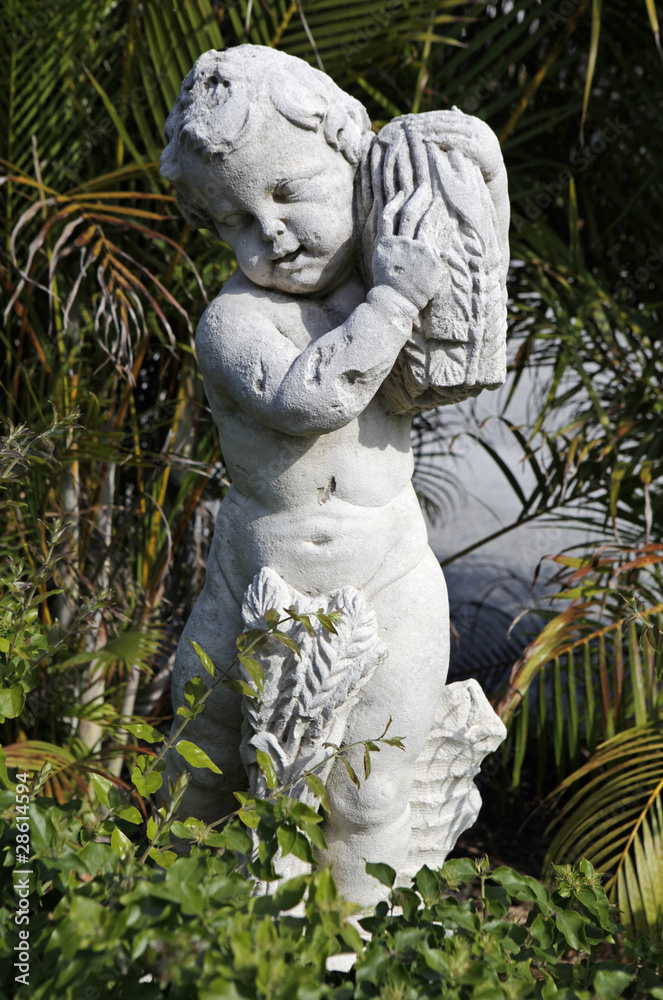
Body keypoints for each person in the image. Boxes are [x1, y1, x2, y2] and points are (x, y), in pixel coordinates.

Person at [160, 45, 458, 906]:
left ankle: (366, 960)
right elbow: (310, 399)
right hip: (258, 592)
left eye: (286, 192)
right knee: (206, 777)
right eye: (232, 221)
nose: (268, 234)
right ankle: (194, 944)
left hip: (393, 583)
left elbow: (455, 362)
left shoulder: (383, 285)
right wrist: (395, 302)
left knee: (370, 800)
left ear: (353, 158)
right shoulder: (234, 321)